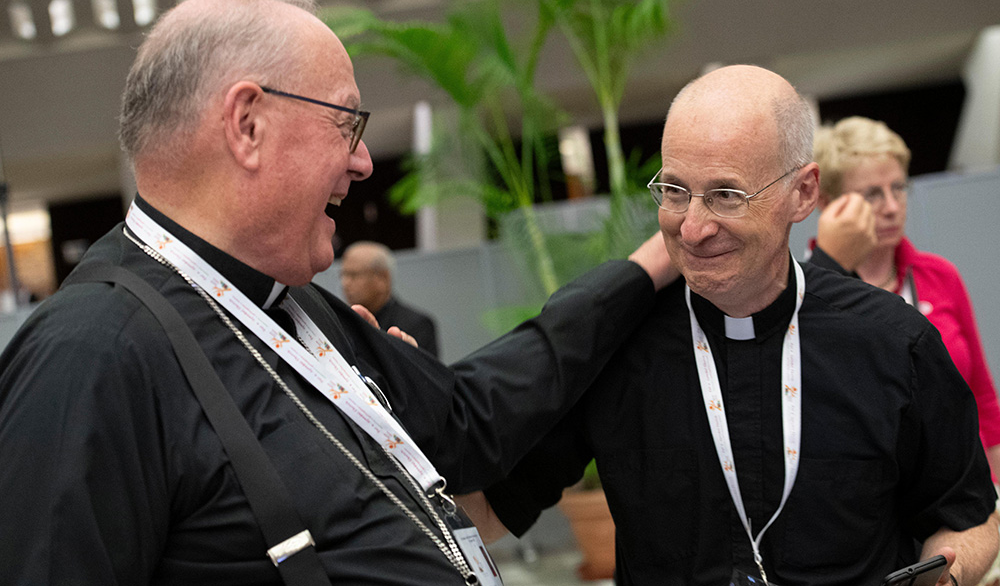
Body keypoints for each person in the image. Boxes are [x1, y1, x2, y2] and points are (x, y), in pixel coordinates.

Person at [0, 0, 676, 585]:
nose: (362, 164)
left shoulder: (290, 308)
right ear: (248, 124)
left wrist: (651, 268)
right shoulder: (90, 353)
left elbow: (468, 420)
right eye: (346, 123)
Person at [475, 65, 999, 586]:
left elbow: (970, 517)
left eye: (727, 195)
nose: (693, 227)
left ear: (803, 192)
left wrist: (947, 580)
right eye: (675, 191)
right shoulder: (618, 348)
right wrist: (395, 410)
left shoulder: (891, 343)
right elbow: (486, 513)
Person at [810, 116, 1000, 481]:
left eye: (898, 188)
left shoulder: (939, 275)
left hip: (969, 489)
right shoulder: (813, 293)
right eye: (872, 194)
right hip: (881, 502)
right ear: (827, 203)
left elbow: (983, 397)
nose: (892, 207)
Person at [340, 240, 440, 356]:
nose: (345, 283)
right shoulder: (342, 322)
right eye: (343, 275)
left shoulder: (417, 325)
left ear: (383, 278)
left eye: (354, 275)